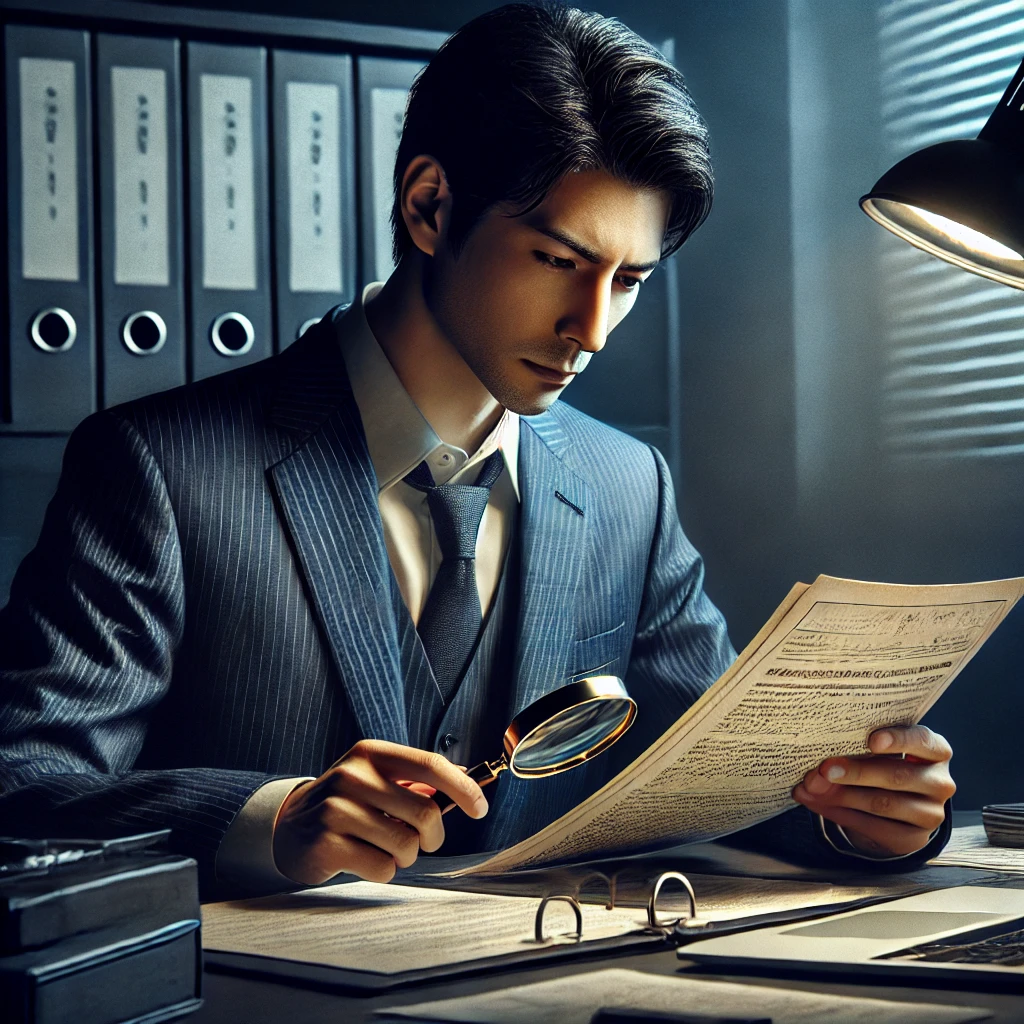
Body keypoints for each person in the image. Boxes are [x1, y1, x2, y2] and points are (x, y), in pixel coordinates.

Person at [0, 3, 953, 896]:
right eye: (559, 261)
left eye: (629, 281)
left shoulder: (628, 486)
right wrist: (271, 818)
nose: (593, 328)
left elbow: (711, 773)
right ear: (428, 207)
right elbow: (24, 788)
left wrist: (861, 812)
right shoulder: (159, 469)